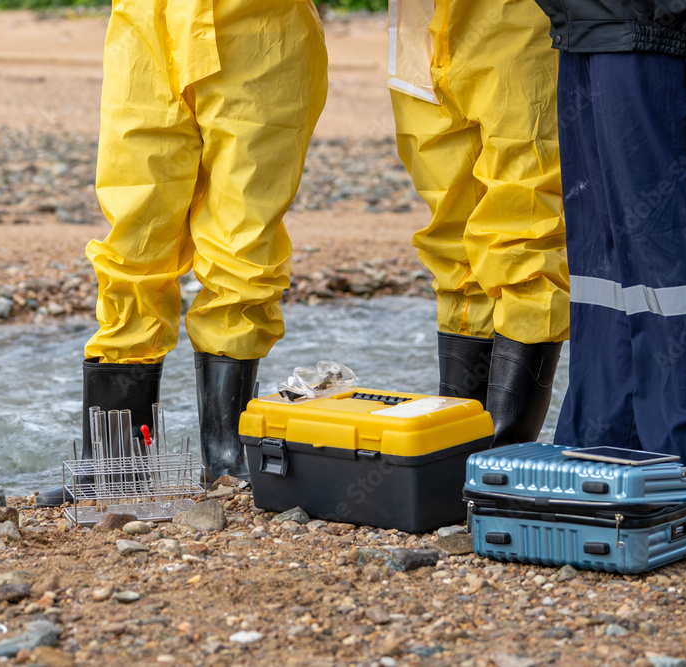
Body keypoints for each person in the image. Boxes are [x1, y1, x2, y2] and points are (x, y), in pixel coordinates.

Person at [37, 0, 328, 506]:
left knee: (243, 240)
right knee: (135, 238)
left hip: (261, 25)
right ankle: (116, 464)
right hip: (147, 22)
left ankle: (226, 459)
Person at [531, 0, 686, 527]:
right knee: (601, 261)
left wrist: (672, 15)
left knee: (665, 255)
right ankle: (605, 444)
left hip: (642, 29)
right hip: (583, 27)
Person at [387, 0, 569, 445]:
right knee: (451, 235)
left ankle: (503, 454)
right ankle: (459, 446)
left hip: (514, 16)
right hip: (418, 25)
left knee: (526, 223)